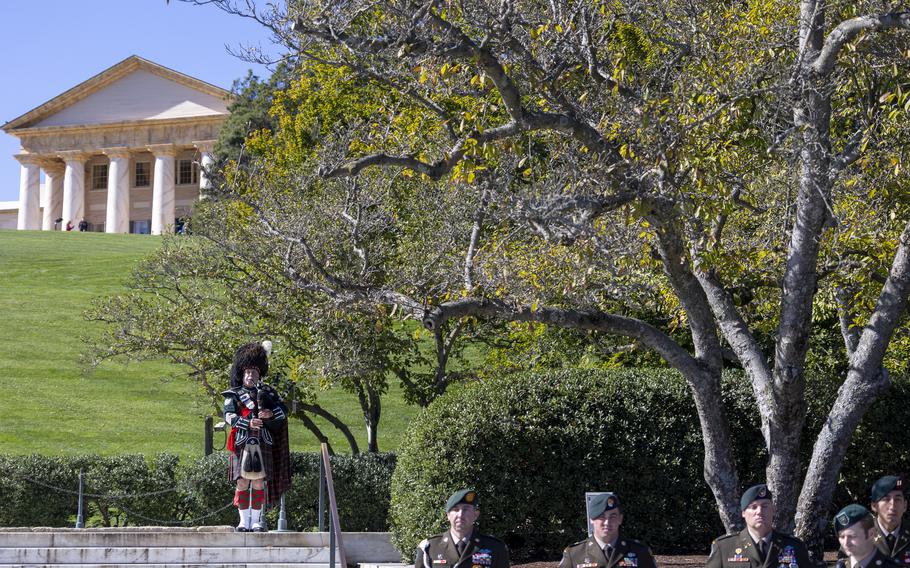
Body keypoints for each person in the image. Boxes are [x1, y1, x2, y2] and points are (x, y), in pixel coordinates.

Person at [223, 341, 291, 532]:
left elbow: (283, 412)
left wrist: (270, 415)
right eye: (247, 372)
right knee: (242, 481)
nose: (250, 375)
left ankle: (257, 521)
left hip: (263, 442)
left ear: (259, 373)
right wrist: (248, 423)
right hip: (242, 442)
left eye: (253, 372)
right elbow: (228, 416)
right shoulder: (233, 394)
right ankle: (244, 522)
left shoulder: (269, 392)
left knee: (259, 482)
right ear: (241, 374)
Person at [707, 484, 812, 568]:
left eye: (765, 506)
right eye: (753, 507)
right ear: (743, 513)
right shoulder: (724, 548)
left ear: (773, 510)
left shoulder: (796, 547)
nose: (760, 512)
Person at [558, 492, 656, 568]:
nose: (607, 522)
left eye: (612, 516)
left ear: (620, 519)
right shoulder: (575, 554)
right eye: (601, 517)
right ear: (591, 519)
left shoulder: (640, 551)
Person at [415, 489, 509, 568]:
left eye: (466, 509)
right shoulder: (429, 547)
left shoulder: (495, 547)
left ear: (475, 515)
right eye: (455, 509)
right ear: (448, 515)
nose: (460, 514)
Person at [835, 504, 900, 568]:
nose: (846, 543)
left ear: (871, 534)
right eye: (842, 537)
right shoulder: (841, 566)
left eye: (852, 536)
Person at [870, 476, 910, 564]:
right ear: (874, 506)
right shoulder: (860, 535)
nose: (892, 506)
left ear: (905, 506)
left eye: (898, 499)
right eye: (886, 499)